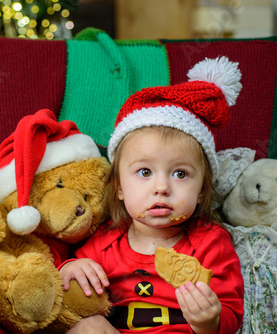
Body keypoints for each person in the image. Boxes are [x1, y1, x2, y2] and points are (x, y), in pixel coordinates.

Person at [60, 57, 245, 334]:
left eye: (180, 174)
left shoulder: (210, 244)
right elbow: (69, 280)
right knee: (87, 325)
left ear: (202, 191)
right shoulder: (105, 243)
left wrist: (210, 321)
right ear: (120, 188)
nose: (162, 188)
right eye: (144, 172)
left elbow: (232, 314)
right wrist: (71, 267)